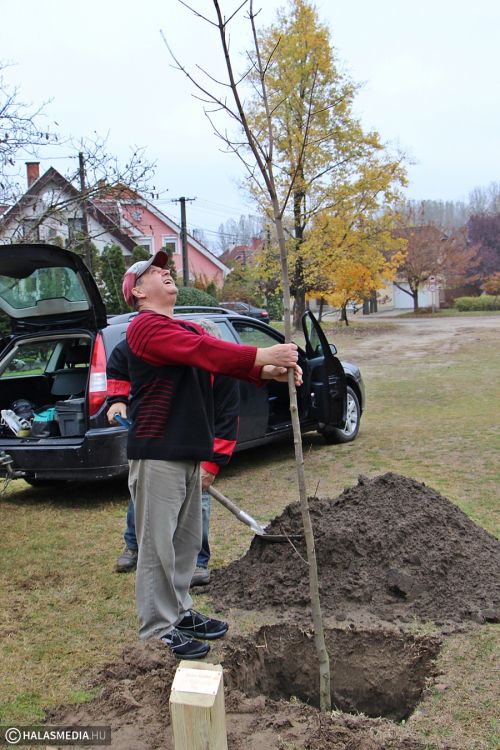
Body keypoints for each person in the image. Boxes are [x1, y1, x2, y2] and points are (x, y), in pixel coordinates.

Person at [109, 249, 301, 660]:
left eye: (165, 268)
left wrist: (265, 371)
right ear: (137, 292)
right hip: (158, 450)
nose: (165, 272)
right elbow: (206, 352)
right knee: (157, 546)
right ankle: (157, 629)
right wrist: (263, 355)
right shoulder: (145, 327)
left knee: (184, 543)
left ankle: (179, 612)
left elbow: (212, 359)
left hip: (189, 450)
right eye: (153, 271)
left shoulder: (183, 329)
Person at [110, 318, 240, 586]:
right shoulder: (170, 355)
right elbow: (120, 357)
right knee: (143, 497)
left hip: (197, 446)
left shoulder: (223, 372)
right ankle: (133, 546)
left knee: (199, 504)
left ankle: (197, 562)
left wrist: (212, 465)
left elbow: (227, 420)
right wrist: (118, 398)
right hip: (157, 442)